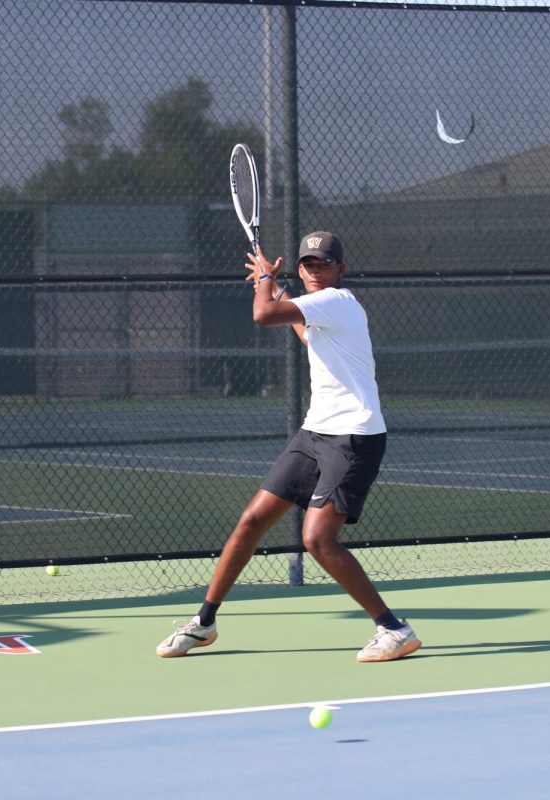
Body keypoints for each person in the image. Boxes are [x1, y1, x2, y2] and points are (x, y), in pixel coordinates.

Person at [156, 231, 421, 662]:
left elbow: (264, 315)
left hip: (354, 436)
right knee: (253, 519)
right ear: (300, 269)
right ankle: (204, 622)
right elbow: (303, 331)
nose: (315, 272)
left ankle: (394, 629)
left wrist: (264, 283)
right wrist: (274, 283)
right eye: (307, 265)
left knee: (317, 538)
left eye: (322, 265)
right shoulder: (321, 312)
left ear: (340, 270)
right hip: (315, 433)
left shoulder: (337, 301)